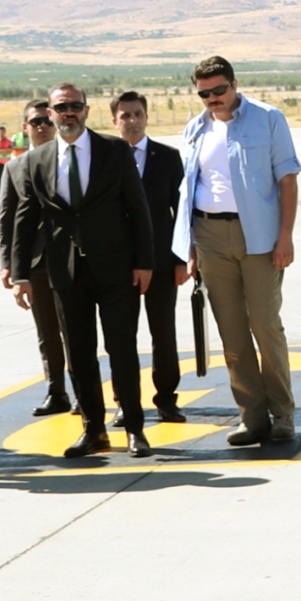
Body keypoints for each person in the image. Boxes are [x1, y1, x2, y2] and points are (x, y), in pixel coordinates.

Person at [13, 84, 156, 459]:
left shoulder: (114, 150)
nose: (69, 113)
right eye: (62, 107)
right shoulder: (36, 160)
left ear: (87, 110)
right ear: (51, 114)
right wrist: (20, 274)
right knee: (79, 354)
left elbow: (137, 208)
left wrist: (144, 262)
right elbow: (25, 219)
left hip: (116, 270)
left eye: (75, 106)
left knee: (122, 350)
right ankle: (93, 430)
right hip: (65, 273)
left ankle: (135, 428)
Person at [173, 56, 301, 445]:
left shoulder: (268, 118)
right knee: (231, 331)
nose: (212, 98)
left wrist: (285, 236)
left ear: (234, 84)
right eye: (204, 93)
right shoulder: (195, 129)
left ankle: (283, 414)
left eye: (219, 90)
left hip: (259, 237)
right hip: (209, 236)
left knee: (265, 324)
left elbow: (288, 180)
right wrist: (190, 247)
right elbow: (189, 190)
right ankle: (252, 417)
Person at [112, 91, 191, 424]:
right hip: (119, 264)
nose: (132, 121)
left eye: (138, 114)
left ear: (146, 117)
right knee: (121, 336)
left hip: (161, 261)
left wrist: (183, 258)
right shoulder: (107, 158)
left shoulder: (167, 157)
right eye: (125, 115)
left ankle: (167, 399)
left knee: (164, 333)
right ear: (115, 121)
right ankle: (125, 400)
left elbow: (181, 210)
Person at [0, 100, 72, 416]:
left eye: (46, 121)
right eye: (35, 122)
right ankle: (56, 391)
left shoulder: (68, 160)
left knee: (74, 329)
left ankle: (84, 391)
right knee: (47, 332)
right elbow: (7, 217)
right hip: (35, 262)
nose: (42, 127)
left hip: (69, 259)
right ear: (25, 128)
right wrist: (8, 264)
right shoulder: (14, 167)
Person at [0, 126, 13, 193]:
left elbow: (11, 150)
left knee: (9, 179)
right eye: (0, 132)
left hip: (7, 162)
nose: (2, 133)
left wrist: (2, 150)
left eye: (3, 132)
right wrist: (6, 150)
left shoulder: (9, 141)